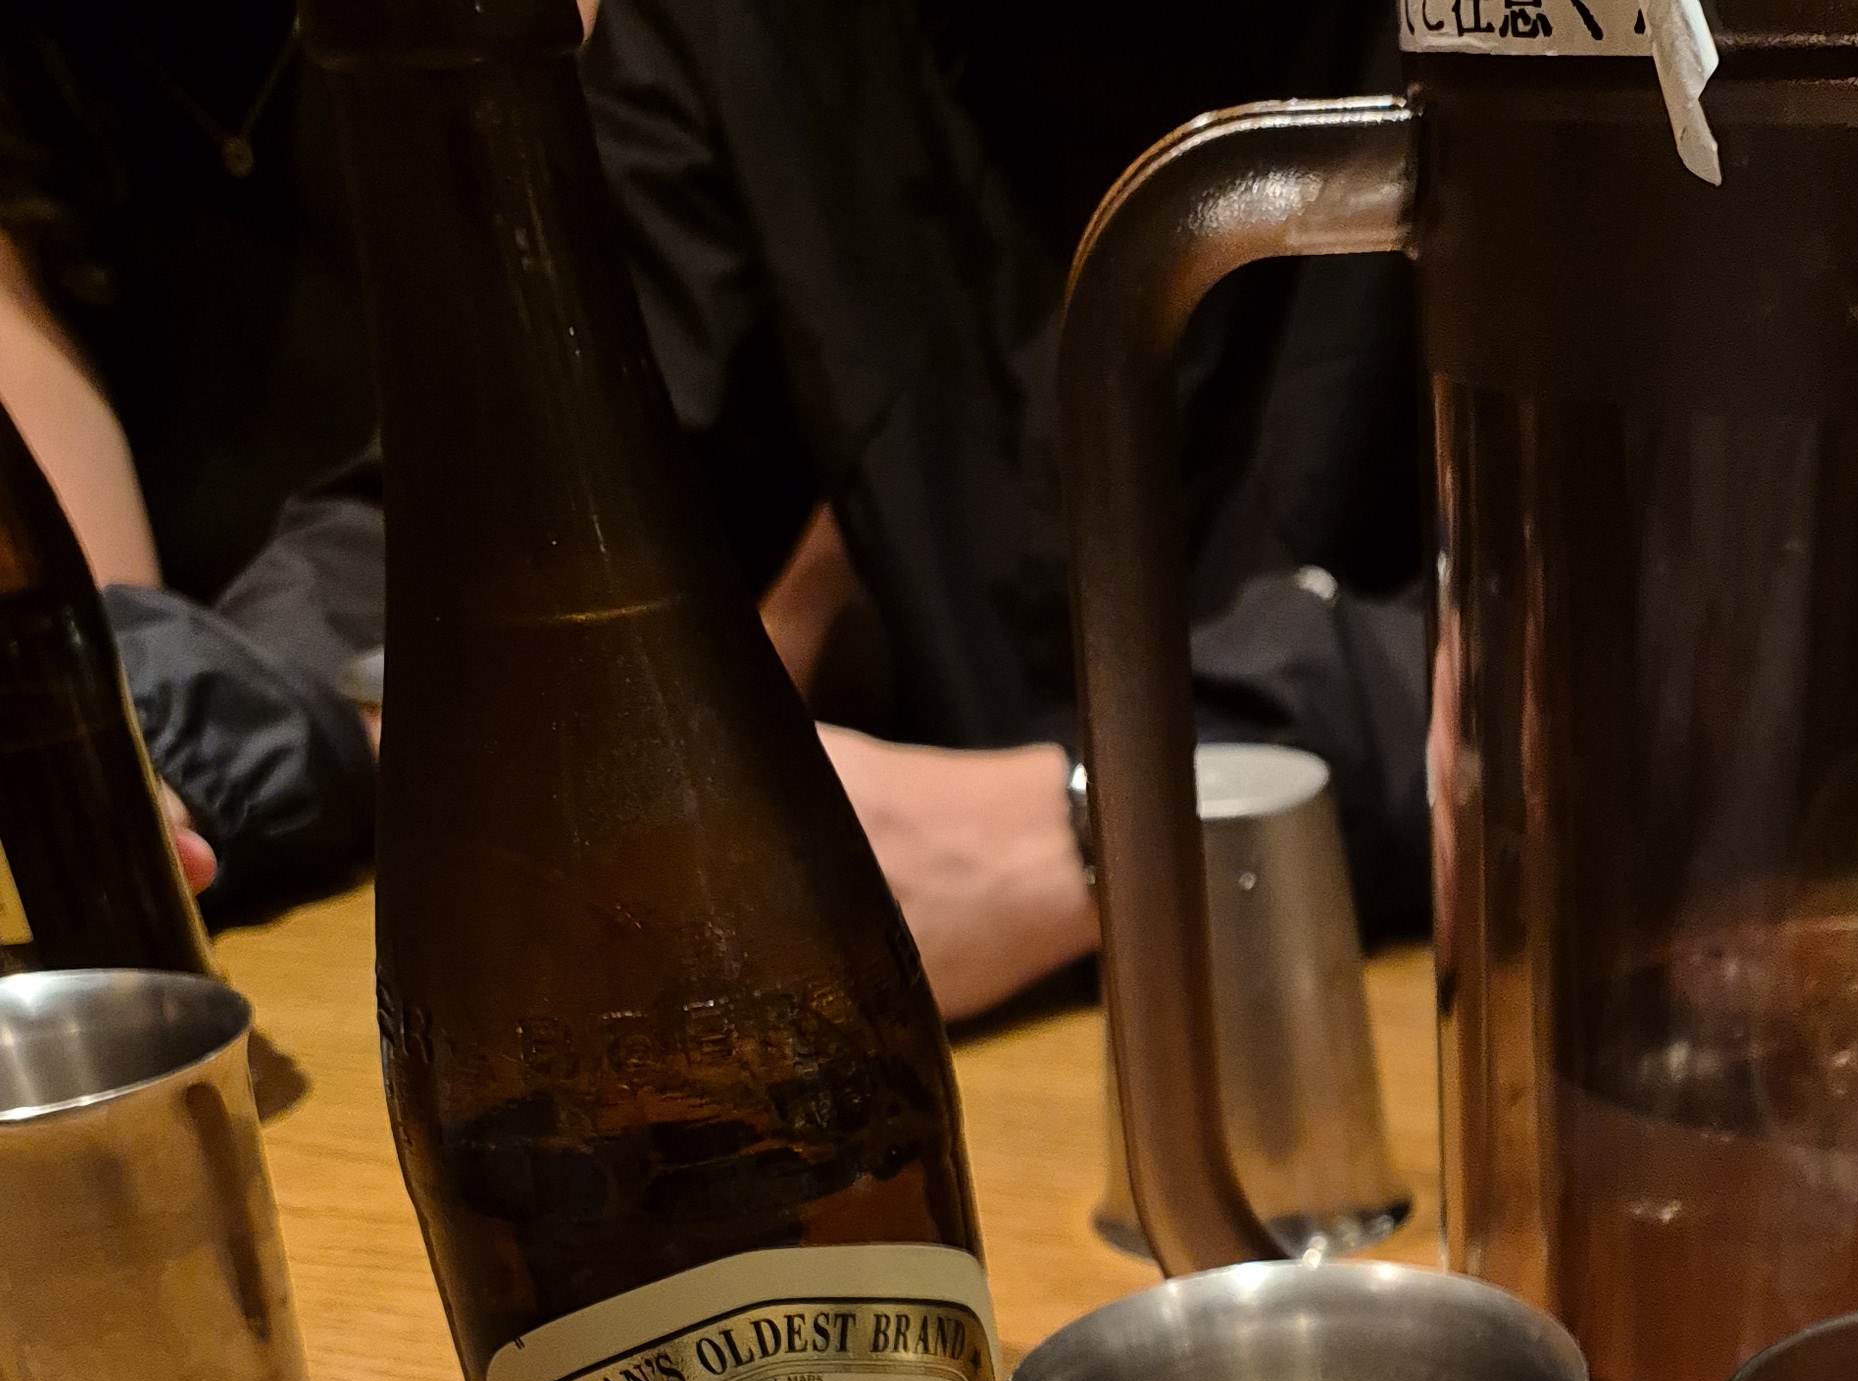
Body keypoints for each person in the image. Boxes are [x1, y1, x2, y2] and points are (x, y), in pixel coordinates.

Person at [579, 0, 1429, 1018]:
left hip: (1443, 976)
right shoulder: (727, 34)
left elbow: (1597, 629)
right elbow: (556, 532)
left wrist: (1085, 825)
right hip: (987, 1031)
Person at [0, 5, 379, 912]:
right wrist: (132, 781)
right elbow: (103, 667)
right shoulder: (32, 77)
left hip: (481, 785)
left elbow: (460, 504)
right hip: (282, 837)